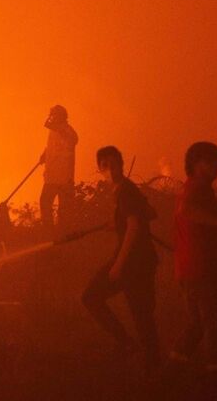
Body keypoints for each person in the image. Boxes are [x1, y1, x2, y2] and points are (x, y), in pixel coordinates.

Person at [81, 146, 160, 374]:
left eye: (114, 164)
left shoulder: (125, 191)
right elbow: (150, 212)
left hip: (135, 263)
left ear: (122, 164)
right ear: (99, 168)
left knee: (137, 313)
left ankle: (146, 361)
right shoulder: (122, 190)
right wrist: (118, 222)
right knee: (139, 314)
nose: (110, 169)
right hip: (139, 261)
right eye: (105, 165)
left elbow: (134, 227)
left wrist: (118, 265)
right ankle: (138, 353)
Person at [172, 141, 217, 373]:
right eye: (211, 162)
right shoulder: (196, 188)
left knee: (198, 323)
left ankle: (174, 367)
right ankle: (216, 371)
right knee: (216, 319)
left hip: (191, 268)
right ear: (197, 164)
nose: (216, 168)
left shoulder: (198, 189)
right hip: (202, 267)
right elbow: (187, 211)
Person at [39, 105, 78, 240]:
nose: (52, 118)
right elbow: (50, 146)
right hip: (51, 176)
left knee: (63, 209)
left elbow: (73, 140)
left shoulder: (68, 131)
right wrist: (44, 155)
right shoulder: (53, 132)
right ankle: (49, 234)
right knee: (45, 202)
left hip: (64, 178)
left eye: (54, 115)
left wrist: (58, 129)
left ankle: (62, 235)